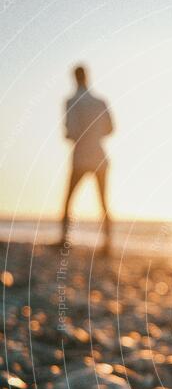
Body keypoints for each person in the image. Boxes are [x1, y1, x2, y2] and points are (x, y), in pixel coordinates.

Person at [60, 65, 114, 253]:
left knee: (68, 199)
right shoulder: (100, 101)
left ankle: (64, 239)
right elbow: (111, 129)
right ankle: (108, 243)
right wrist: (95, 134)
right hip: (99, 156)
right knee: (103, 201)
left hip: (81, 156)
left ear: (75, 78)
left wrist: (74, 135)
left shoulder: (71, 101)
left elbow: (71, 132)